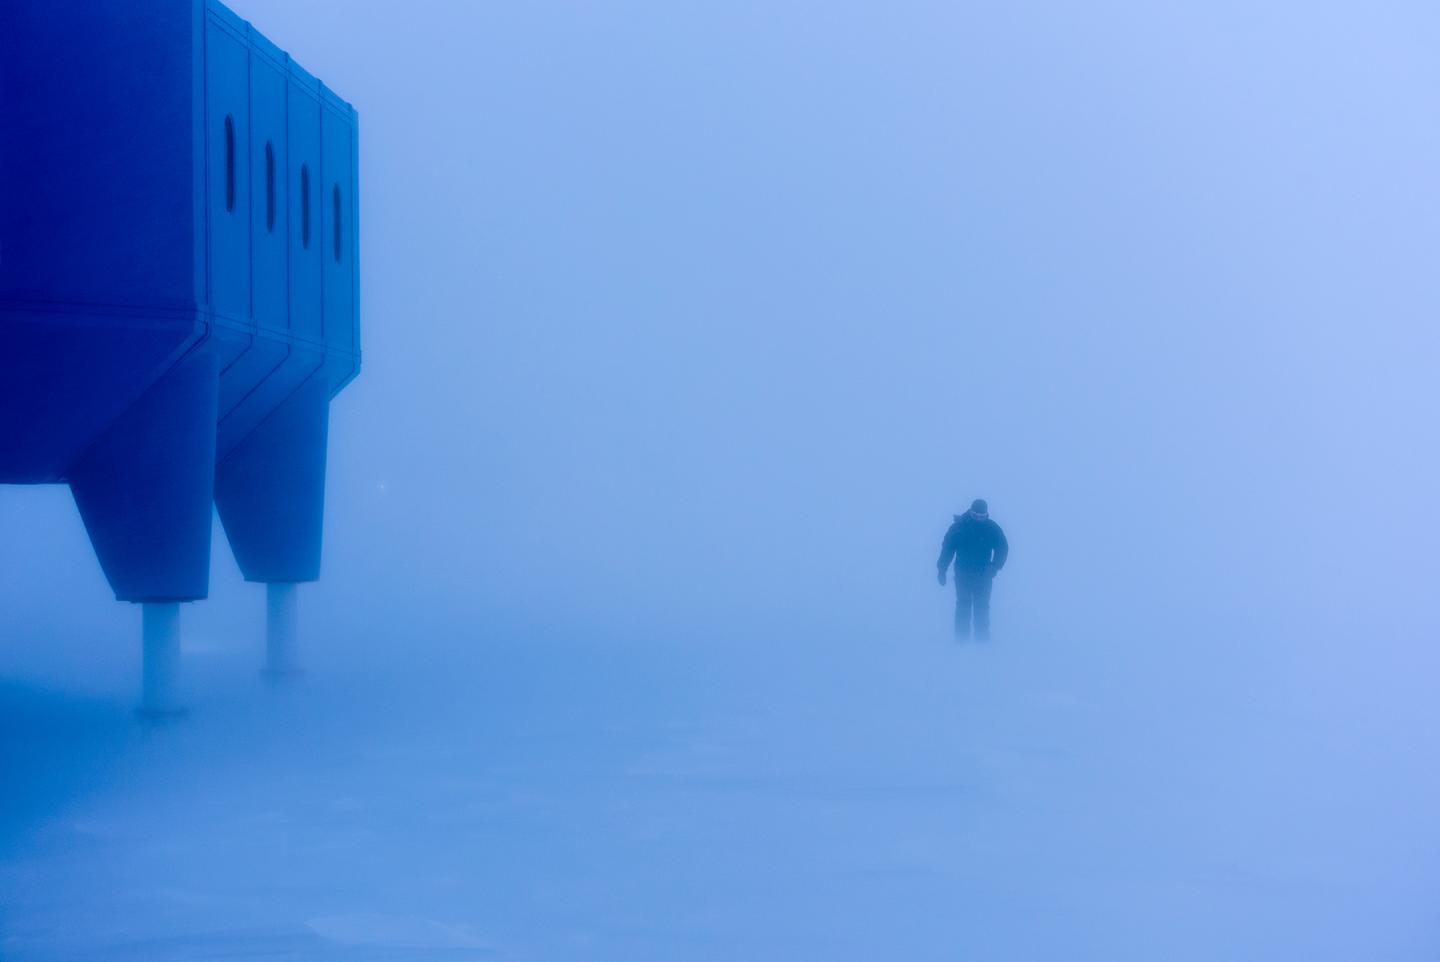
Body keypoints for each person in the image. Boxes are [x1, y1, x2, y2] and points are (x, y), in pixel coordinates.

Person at [936, 499, 1009, 640]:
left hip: (984, 575)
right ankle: (961, 642)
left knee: (982, 608)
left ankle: (982, 644)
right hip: (962, 574)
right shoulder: (959, 527)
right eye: (975, 516)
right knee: (963, 606)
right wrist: (941, 569)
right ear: (970, 512)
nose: (978, 520)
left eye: (982, 517)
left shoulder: (992, 529)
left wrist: (995, 567)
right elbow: (947, 549)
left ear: (986, 515)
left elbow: (1003, 548)